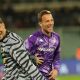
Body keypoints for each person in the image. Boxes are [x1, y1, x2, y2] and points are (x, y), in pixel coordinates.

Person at [24, 10, 61, 80]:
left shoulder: (57, 38)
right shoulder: (33, 38)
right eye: (47, 21)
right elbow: (20, 54)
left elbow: (57, 56)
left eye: (51, 20)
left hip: (49, 77)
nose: (50, 23)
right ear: (40, 23)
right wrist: (32, 58)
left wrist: (56, 69)